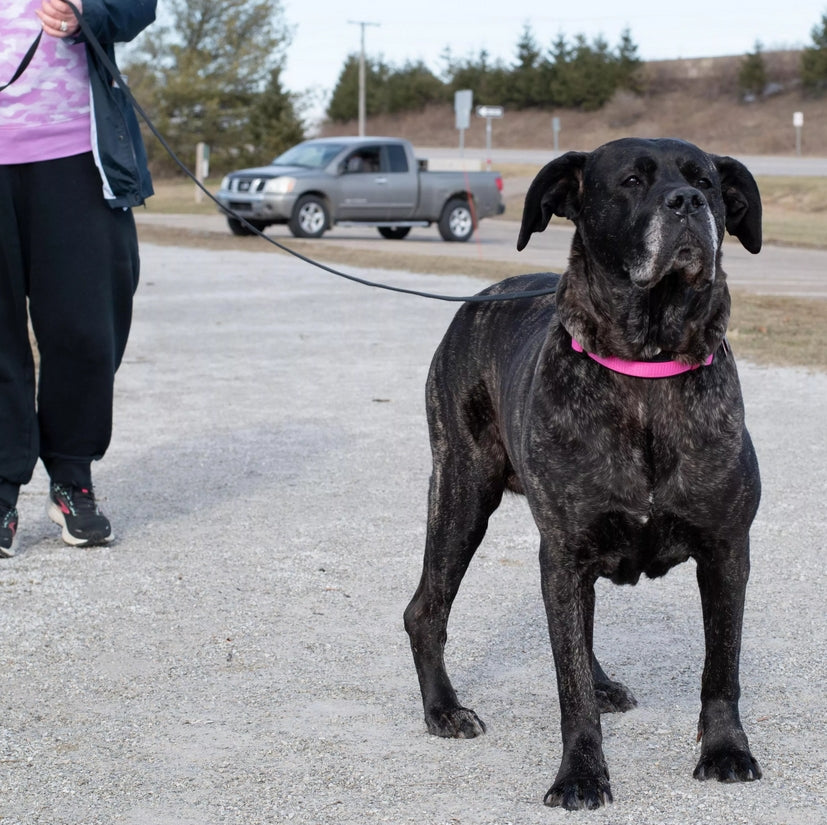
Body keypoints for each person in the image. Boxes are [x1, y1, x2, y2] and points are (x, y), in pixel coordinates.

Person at [0, 0, 157, 556]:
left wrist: (88, 10)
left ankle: (72, 477)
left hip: (76, 154)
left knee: (88, 325)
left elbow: (137, 5)